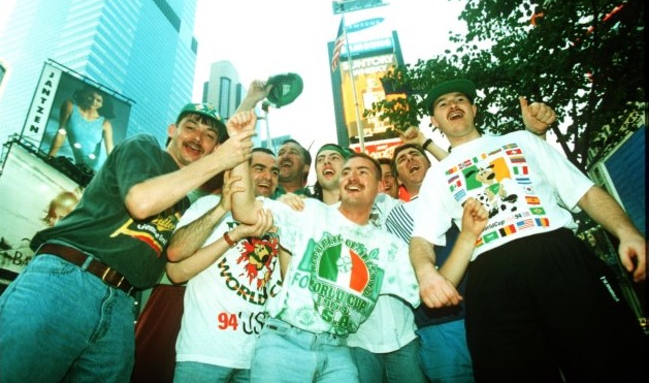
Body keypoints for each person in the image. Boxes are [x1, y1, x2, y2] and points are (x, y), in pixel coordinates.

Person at [410, 79, 647, 382]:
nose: (453, 106)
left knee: (612, 361)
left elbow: (585, 192)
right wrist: (427, 273)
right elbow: (422, 239)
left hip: (559, 256)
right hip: (490, 277)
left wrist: (627, 232)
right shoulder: (437, 176)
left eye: (460, 100)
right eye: (443, 104)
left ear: (473, 108)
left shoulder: (523, 139)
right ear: (434, 121)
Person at [0, 104, 256, 382]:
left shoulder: (182, 202)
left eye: (209, 135)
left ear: (215, 146)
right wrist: (220, 161)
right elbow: (141, 202)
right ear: (172, 130)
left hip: (122, 303)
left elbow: (176, 257)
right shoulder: (144, 147)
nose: (197, 138)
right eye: (190, 127)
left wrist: (221, 207)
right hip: (67, 279)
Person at [228, 111, 422, 382]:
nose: (352, 177)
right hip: (285, 340)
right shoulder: (304, 210)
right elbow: (245, 210)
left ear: (377, 185)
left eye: (360, 171)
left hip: (339, 349)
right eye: (323, 160)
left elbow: (429, 279)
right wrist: (239, 144)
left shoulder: (387, 237)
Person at [166, 147, 280, 382]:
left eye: (274, 172)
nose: (268, 177)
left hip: (258, 361)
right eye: (259, 168)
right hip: (204, 354)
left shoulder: (281, 220)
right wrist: (228, 222)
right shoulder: (208, 205)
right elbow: (175, 269)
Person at [48, 85, 114, 170]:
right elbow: (61, 134)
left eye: (98, 100)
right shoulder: (69, 106)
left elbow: (110, 152)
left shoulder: (105, 124)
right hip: (76, 164)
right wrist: (50, 156)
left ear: (102, 104)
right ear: (84, 94)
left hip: (97, 168)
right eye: (91, 96)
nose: (94, 101)